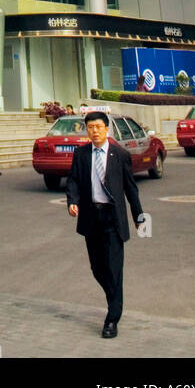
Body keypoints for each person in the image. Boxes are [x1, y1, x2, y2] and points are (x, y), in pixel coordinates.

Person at [66, 111, 146, 338]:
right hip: (92, 218)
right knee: (97, 269)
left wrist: (139, 217)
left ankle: (112, 318)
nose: (94, 131)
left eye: (98, 127)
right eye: (90, 127)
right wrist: (72, 202)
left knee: (113, 268)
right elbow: (73, 180)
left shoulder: (120, 154)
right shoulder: (81, 154)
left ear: (106, 129)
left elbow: (131, 189)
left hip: (113, 218)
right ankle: (115, 297)